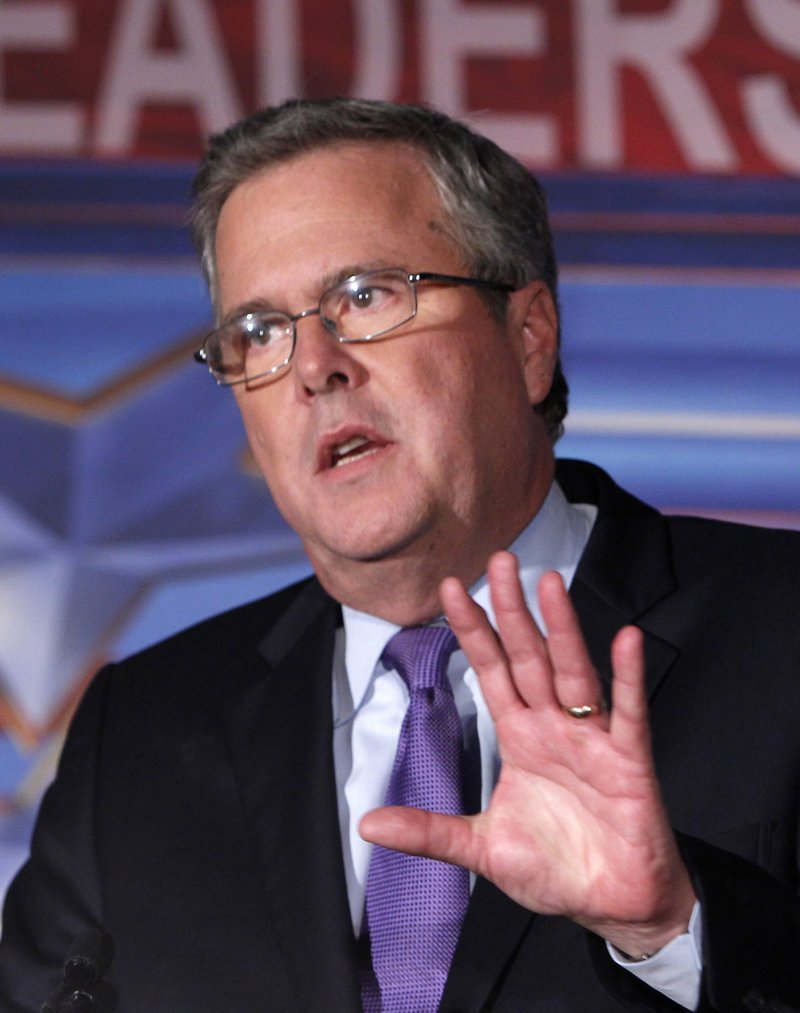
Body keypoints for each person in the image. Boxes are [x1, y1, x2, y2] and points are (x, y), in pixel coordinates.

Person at [1, 97, 799, 1013]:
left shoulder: (781, 632)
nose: (313, 366)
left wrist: (674, 930)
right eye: (258, 332)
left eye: (366, 295)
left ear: (529, 338)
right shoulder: (139, 736)